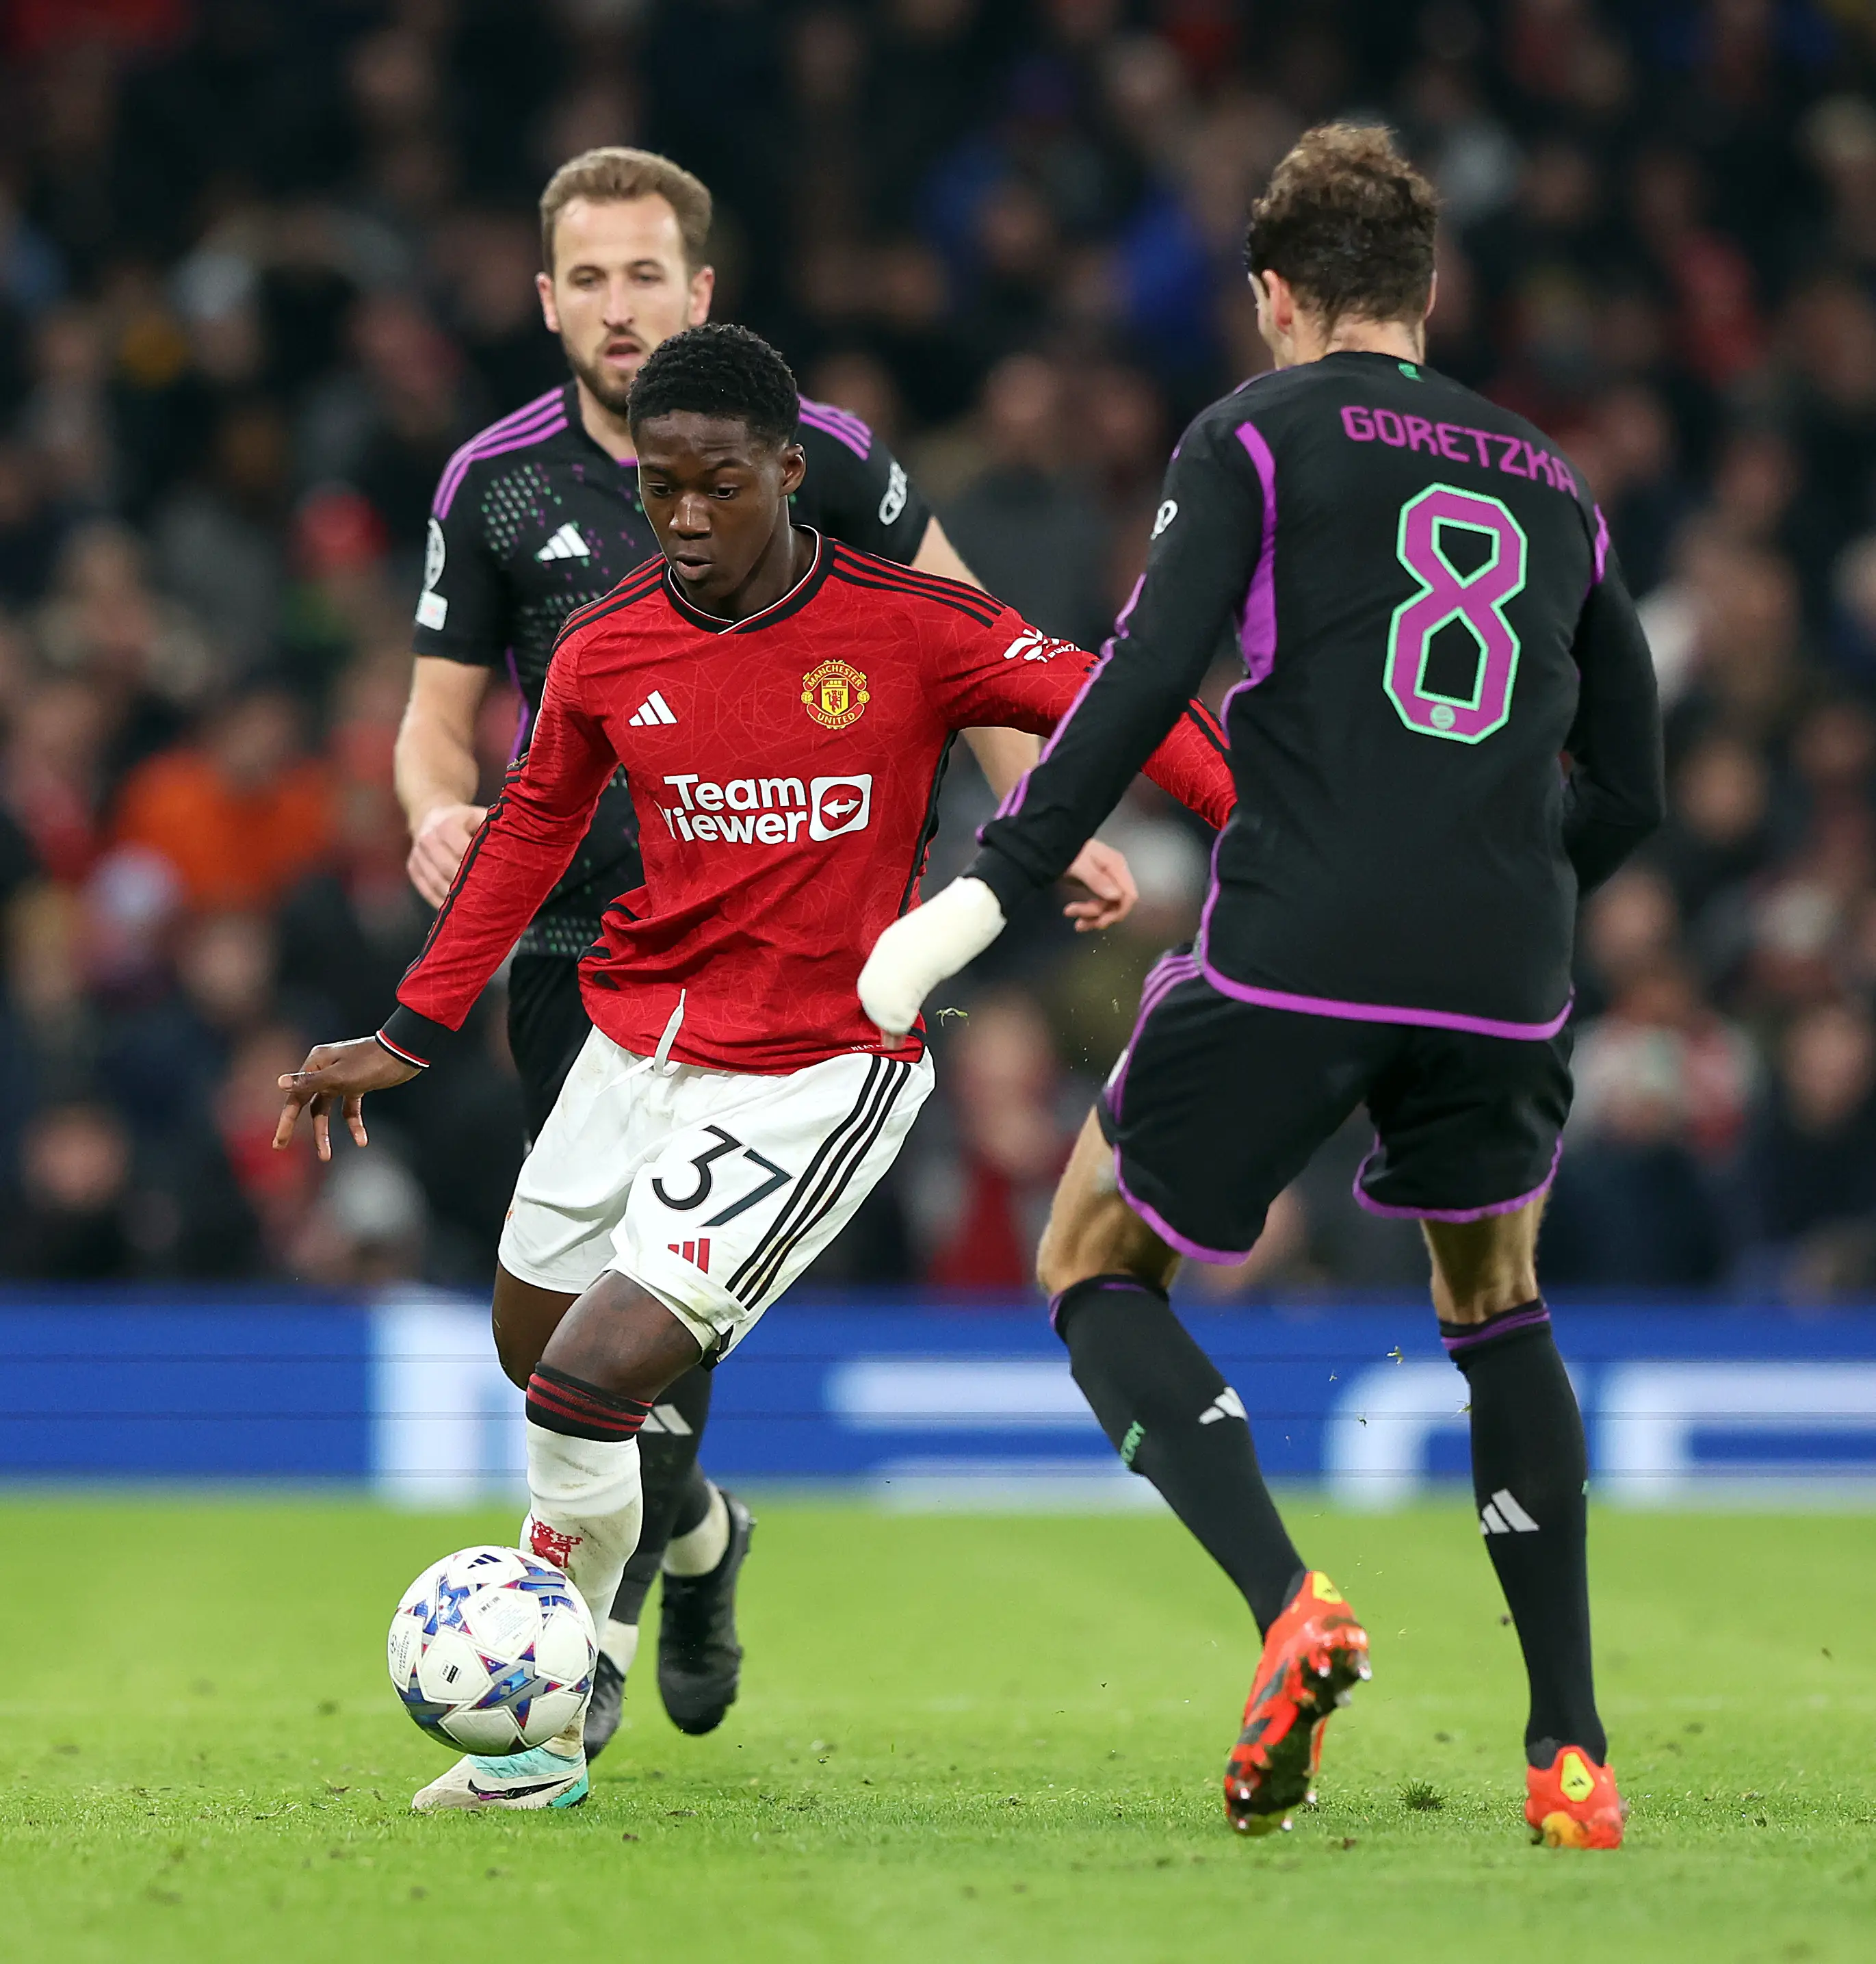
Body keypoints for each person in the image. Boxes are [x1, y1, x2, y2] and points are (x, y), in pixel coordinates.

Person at [276, 322, 1235, 1812]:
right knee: (538, 1353)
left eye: (718, 484)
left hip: (817, 1069)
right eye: (659, 487)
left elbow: (1123, 706)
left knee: (582, 1383)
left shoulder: (914, 626)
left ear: (791, 470)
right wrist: (409, 1031)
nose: (685, 516)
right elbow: (528, 832)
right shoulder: (608, 647)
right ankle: (704, 1534)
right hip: (631, 1046)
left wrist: (1271, 840)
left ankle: (546, 1727)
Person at [859, 125, 1664, 1850]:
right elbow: (1636, 783)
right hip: (1505, 963)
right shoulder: (1554, 481)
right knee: (1497, 1304)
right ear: (1429, 290)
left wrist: (998, 880)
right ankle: (1572, 1756)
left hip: (1302, 933)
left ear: (1275, 296)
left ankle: (1290, 1604)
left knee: (1093, 1257)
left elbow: (1146, 675)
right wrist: (1511, 885)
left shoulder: (1253, 432)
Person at [393, 146, 1134, 1755]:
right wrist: (434, 810)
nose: (619, 306)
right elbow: (434, 720)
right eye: (590, 280)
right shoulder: (492, 485)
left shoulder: (822, 453)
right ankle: (700, 1535)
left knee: (650, 1306)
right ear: (545, 299)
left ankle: (581, 1660)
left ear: (700, 290)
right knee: (563, 1336)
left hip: (787, 943)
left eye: (646, 276)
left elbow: (969, 625)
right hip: (578, 949)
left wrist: (1045, 810)